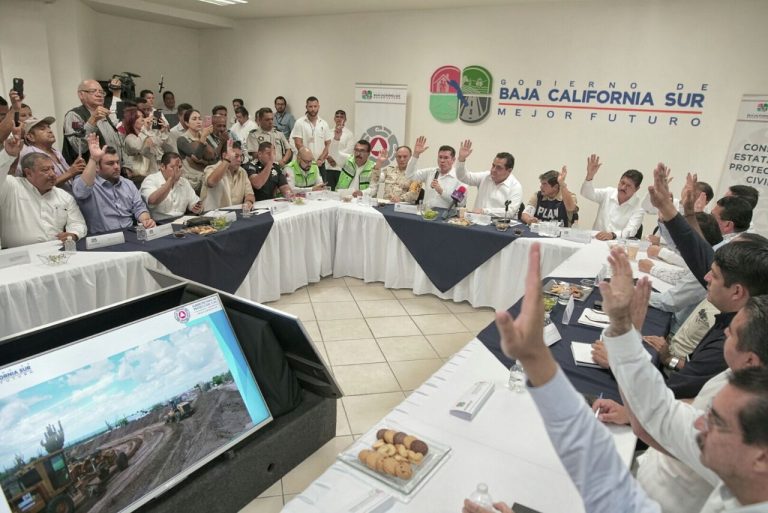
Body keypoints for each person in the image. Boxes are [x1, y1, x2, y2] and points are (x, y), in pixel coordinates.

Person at [464, 242, 768, 513]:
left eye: (715, 420)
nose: (698, 422)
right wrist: (541, 360)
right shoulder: (740, 464)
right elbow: (661, 418)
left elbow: (660, 419)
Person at [595, 293, 768, 513]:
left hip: (658, 496)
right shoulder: (736, 376)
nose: (725, 332)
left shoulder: (745, 416)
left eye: (732, 332)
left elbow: (659, 421)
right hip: (650, 469)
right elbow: (686, 409)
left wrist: (624, 342)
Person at [638, 212, 724, 332]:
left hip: (677, 328)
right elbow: (682, 274)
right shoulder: (710, 253)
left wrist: (633, 293)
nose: (679, 245)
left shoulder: (709, 267)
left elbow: (670, 302)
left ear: (695, 239)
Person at [0, 131, 86, 249]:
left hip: (56, 252)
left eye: (52, 169)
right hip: (18, 255)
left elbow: (77, 223)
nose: (52, 174)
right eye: (45, 170)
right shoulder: (11, 186)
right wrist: (7, 155)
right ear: (28, 173)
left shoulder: (63, 196)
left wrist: (74, 234)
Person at [73, 134, 155, 234]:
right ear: (97, 167)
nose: (116, 167)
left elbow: (139, 207)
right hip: (104, 238)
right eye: (110, 163)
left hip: (130, 234)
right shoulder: (88, 182)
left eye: (117, 162)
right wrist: (93, 159)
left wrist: (146, 220)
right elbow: (81, 192)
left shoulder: (127, 184)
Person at [580, 154, 645, 240]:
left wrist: (613, 235)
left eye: (628, 186)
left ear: (636, 189)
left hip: (617, 243)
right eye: (622, 183)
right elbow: (586, 193)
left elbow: (631, 231)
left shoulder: (639, 206)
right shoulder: (608, 192)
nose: (623, 187)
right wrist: (589, 176)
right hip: (596, 240)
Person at [453, 139, 521, 216]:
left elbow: (510, 212)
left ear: (509, 170)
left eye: (499, 167)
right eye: (493, 165)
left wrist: (484, 211)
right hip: (476, 221)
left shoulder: (515, 186)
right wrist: (461, 159)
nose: (493, 170)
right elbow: (463, 177)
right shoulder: (485, 176)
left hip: (499, 223)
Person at [17, 117, 85, 192]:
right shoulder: (30, 155)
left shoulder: (55, 152)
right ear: (30, 137)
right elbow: (40, 186)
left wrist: (75, 167)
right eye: (42, 129)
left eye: (49, 127)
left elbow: (67, 178)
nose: (50, 131)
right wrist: (70, 172)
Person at [63, 80, 123, 165]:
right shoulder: (75, 116)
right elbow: (79, 146)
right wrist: (93, 120)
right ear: (81, 95)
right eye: (93, 91)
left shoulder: (105, 114)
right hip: (92, 170)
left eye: (101, 92)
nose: (99, 95)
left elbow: (118, 142)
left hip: (115, 168)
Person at [405, 136, 465, 209]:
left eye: (446, 158)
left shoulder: (460, 177)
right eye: (440, 157)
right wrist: (416, 154)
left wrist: (441, 192)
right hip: (427, 213)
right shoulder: (430, 172)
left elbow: (461, 203)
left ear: (453, 160)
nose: (442, 160)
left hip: (447, 215)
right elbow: (409, 175)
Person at [140, 152, 203, 218]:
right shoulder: (151, 180)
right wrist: (171, 179)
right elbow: (152, 201)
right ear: (162, 167)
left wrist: (197, 208)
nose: (177, 170)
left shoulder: (184, 182)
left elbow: (195, 203)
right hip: (159, 222)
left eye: (179, 167)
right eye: (173, 167)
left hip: (181, 220)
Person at [200, 140, 254, 211]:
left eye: (241, 156)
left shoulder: (242, 172)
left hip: (235, 214)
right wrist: (227, 159)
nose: (240, 160)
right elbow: (211, 182)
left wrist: (249, 202)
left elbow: (249, 193)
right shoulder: (211, 168)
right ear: (224, 156)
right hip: (213, 214)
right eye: (236, 156)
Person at [122, 108, 172, 185]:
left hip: (154, 175)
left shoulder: (148, 134)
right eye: (138, 117)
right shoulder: (130, 138)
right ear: (131, 121)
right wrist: (144, 128)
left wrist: (162, 131)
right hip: (139, 179)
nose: (142, 119)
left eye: (143, 116)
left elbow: (167, 148)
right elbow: (138, 147)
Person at [291, 96, 331, 182]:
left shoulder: (324, 124)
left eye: (315, 106)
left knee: (322, 187)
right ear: (306, 107)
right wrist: (309, 160)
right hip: (305, 164)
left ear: (318, 107)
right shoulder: (299, 122)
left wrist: (321, 159)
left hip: (320, 164)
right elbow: (298, 143)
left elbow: (328, 144)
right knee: (305, 188)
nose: (313, 109)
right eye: (310, 106)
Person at [176, 109, 214, 193]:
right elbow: (197, 156)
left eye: (200, 119)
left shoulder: (204, 136)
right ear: (187, 123)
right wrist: (203, 137)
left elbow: (214, 156)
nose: (198, 121)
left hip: (206, 176)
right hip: (192, 181)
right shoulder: (182, 139)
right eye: (194, 119)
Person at [325, 109, 355, 189]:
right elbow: (325, 147)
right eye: (337, 116)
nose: (339, 119)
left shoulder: (349, 134)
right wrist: (329, 157)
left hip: (341, 168)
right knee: (328, 192)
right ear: (334, 118)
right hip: (328, 167)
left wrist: (335, 158)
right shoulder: (328, 132)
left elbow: (349, 150)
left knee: (340, 192)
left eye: (341, 117)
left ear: (345, 119)